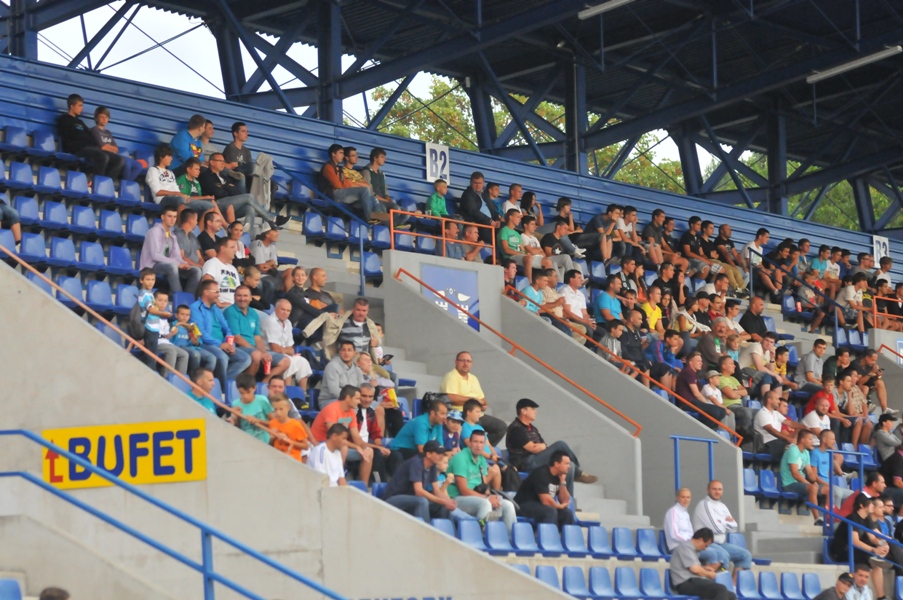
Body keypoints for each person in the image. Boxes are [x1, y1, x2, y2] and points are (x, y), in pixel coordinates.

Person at [506, 398, 597, 495]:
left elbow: (544, 446)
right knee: (560, 444)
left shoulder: (533, 429)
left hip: (537, 459)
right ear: (523, 411)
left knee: (569, 466)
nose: (535, 412)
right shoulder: (516, 429)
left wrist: (542, 446)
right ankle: (579, 472)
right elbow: (534, 449)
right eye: (532, 409)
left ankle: (569, 500)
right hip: (526, 463)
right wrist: (541, 446)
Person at [446, 429, 516, 532]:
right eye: (475, 442)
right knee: (485, 503)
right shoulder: (460, 458)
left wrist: (491, 497)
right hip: (456, 498)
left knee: (507, 505)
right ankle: (480, 534)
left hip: (476, 497)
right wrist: (487, 498)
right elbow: (463, 490)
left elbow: (483, 486)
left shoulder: (481, 459)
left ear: (484, 445)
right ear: (470, 443)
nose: (478, 445)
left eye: (481, 442)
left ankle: (509, 538)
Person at [200, 152, 289, 231]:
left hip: (229, 202)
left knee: (249, 208)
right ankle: (271, 219)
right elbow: (217, 192)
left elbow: (234, 191)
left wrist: (224, 187)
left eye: (223, 161)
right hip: (216, 203)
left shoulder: (224, 176)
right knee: (248, 197)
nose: (223, 163)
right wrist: (228, 187)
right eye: (220, 161)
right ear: (212, 162)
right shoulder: (206, 175)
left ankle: (248, 236)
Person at [190, 279, 252, 388]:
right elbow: (200, 333)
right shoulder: (195, 308)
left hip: (222, 344)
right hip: (206, 344)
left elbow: (227, 329)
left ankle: (224, 384)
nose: (218, 295)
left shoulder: (216, 309)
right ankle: (223, 390)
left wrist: (230, 344)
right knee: (223, 357)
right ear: (206, 292)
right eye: (216, 292)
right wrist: (220, 344)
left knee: (245, 359)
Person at [439, 351, 507, 447]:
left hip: (477, 413)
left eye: (468, 361)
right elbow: (451, 397)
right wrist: (473, 400)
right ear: (456, 362)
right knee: (476, 427)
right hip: (459, 413)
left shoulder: (473, 378)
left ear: (471, 363)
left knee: (501, 427)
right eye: (462, 360)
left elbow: (482, 399)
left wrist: (483, 405)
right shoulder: (451, 376)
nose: (465, 363)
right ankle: (473, 451)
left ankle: (483, 449)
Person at [310, 384, 374, 484]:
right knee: (344, 448)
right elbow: (334, 436)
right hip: (321, 444)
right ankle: (338, 480)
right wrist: (356, 447)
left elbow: (356, 437)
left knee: (369, 452)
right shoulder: (332, 409)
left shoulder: (351, 413)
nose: (359, 401)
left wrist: (363, 448)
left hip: (338, 444)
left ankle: (363, 487)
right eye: (357, 398)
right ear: (348, 398)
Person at [224, 285, 289, 383]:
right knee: (257, 355)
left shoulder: (253, 313)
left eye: (245, 296)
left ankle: (264, 384)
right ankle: (247, 385)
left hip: (253, 348)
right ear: (234, 297)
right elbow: (236, 338)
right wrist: (258, 352)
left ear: (251, 298)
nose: (242, 299)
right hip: (238, 347)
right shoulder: (230, 311)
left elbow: (257, 337)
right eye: (239, 295)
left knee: (285, 361)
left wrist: (264, 352)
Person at [830, 496, 892, 598]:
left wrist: (883, 544)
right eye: (871, 504)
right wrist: (874, 550)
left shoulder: (867, 518)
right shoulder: (853, 518)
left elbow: (874, 537)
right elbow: (855, 541)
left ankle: (881, 597)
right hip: (843, 551)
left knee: (877, 563)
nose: (873, 506)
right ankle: (881, 596)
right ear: (862, 506)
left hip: (855, 550)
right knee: (875, 561)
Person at [382, 439, 457, 521]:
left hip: (412, 499)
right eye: (438, 453)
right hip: (393, 499)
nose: (441, 456)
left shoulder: (432, 466)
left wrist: (448, 502)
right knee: (422, 501)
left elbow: (436, 491)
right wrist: (443, 501)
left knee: (443, 506)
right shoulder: (416, 462)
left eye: (442, 453)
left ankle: (444, 528)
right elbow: (419, 491)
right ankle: (425, 528)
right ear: (428, 454)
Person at [692, 480, 752, 581]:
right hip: (706, 544)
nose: (717, 492)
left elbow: (734, 527)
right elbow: (716, 529)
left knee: (746, 555)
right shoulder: (704, 504)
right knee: (724, 555)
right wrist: (726, 522)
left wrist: (721, 522)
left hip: (720, 544)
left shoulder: (722, 506)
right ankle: (719, 582)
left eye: (720, 489)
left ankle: (733, 586)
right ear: (708, 490)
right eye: (714, 489)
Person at [57, 93, 124, 178]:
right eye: (80, 105)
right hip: (77, 149)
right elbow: (67, 136)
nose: (82, 108)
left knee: (119, 160)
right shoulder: (64, 119)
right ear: (72, 106)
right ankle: (97, 181)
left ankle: (106, 182)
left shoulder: (80, 122)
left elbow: (90, 137)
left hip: (90, 148)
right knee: (103, 156)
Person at [138, 206, 202, 295]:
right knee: (172, 266)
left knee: (196, 271)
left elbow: (177, 255)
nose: (172, 219)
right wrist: (177, 263)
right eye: (169, 216)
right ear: (162, 217)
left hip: (168, 265)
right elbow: (155, 255)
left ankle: (187, 298)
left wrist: (184, 264)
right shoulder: (154, 231)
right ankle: (178, 296)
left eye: (174, 217)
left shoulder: (172, 235)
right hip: (152, 266)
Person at [664, 488, 728, 567]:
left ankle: (717, 573)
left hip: (690, 545)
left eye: (688, 497)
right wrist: (691, 543)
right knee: (712, 554)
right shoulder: (673, 512)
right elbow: (674, 535)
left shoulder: (685, 513)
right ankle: (707, 574)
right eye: (683, 497)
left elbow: (691, 533)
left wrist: (695, 542)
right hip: (678, 547)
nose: (686, 500)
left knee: (720, 554)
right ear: (677, 498)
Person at [669, 528, 738, 600]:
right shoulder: (685, 548)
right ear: (701, 540)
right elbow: (695, 569)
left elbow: (693, 566)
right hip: (685, 583)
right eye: (706, 545)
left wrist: (704, 568)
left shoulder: (693, 550)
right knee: (720, 589)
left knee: (731, 595)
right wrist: (709, 574)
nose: (705, 548)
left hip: (694, 581)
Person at [780, 429, 829, 524]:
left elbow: (810, 473)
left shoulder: (806, 452)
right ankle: (817, 519)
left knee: (829, 489)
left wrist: (820, 483)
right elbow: (795, 473)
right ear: (803, 440)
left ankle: (828, 519)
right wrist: (809, 484)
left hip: (801, 483)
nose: (812, 442)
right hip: (789, 484)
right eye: (810, 439)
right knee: (813, 488)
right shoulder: (793, 450)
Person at [261, 299, 314, 388]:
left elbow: (291, 349)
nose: (285, 313)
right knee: (289, 360)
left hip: (282, 353)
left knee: (303, 362)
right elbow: (274, 348)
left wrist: (285, 350)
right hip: (268, 352)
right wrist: (286, 350)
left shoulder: (288, 323)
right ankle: (286, 391)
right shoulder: (270, 321)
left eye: (288, 311)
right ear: (276, 309)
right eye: (283, 309)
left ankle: (302, 394)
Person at [90, 106, 144, 181]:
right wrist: (109, 147)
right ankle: (107, 181)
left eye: (106, 117)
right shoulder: (95, 130)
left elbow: (116, 149)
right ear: (96, 118)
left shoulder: (107, 132)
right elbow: (102, 147)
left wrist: (108, 146)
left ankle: (125, 184)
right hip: (103, 155)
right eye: (102, 117)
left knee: (138, 166)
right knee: (124, 162)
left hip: (112, 155)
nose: (104, 119)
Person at [360, 147, 408, 226]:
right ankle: (388, 228)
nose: (385, 159)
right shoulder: (366, 171)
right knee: (393, 209)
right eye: (382, 157)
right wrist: (384, 200)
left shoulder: (382, 174)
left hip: (383, 200)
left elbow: (385, 192)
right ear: (375, 158)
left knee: (405, 213)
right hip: (374, 200)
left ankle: (393, 226)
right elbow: (368, 191)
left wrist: (389, 200)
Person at [810, 430, 856, 509]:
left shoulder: (829, 453)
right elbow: (814, 476)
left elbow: (828, 472)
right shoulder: (815, 453)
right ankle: (833, 515)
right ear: (824, 439)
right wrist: (827, 484)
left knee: (854, 494)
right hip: (820, 485)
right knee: (837, 492)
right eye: (832, 439)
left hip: (830, 484)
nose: (834, 441)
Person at [135, 269, 170, 370]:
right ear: (141, 280)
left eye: (153, 279)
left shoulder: (149, 293)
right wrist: (163, 314)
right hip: (149, 328)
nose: (151, 282)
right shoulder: (145, 294)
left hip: (153, 328)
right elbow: (151, 310)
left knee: (152, 355)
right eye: (148, 279)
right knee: (151, 357)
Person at [319, 341, 365, 407]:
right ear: (339, 352)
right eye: (343, 350)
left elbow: (361, 387)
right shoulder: (332, 366)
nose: (346, 353)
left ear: (355, 353)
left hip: (351, 400)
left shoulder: (357, 369)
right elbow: (334, 389)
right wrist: (350, 400)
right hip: (329, 400)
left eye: (349, 350)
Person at [458, 171, 500, 245]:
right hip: (478, 223)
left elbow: (493, 209)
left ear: (483, 183)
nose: (478, 185)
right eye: (475, 183)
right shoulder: (467, 194)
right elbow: (473, 211)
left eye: (480, 183)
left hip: (490, 223)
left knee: (505, 229)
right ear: (471, 183)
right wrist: (489, 221)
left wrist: (497, 220)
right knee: (489, 234)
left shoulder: (485, 194)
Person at [231, 373, 274, 444]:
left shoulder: (262, 400)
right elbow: (239, 427)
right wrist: (235, 418)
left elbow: (274, 423)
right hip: (246, 443)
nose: (245, 396)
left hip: (264, 442)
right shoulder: (235, 404)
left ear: (254, 388)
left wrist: (258, 421)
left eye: (248, 392)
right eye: (241, 393)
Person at [268, 394, 309, 462]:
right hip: (278, 460)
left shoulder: (295, 425)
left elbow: (306, 446)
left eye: (281, 409)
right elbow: (271, 444)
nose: (278, 412)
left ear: (288, 408)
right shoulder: (272, 423)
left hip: (293, 461)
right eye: (275, 409)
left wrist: (289, 440)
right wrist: (273, 437)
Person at [201, 238, 240, 307]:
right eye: (232, 247)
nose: (235, 250)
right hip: (220, 307)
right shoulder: (212, 263)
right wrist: (218, 303)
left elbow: (238, 291)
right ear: (223, 249)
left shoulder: (233, 268)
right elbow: (207, 285)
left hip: (235, 307)